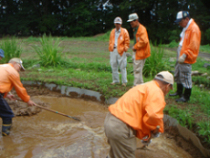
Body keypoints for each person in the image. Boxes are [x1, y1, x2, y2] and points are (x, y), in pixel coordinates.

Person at [104, 71, 174, 158]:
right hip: (120, 128)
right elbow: (153, 115)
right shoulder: (157, 91)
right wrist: (153, 132)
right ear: (167, 87)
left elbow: (139, 112)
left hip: (110, 122)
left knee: (114, 154)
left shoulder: (144, 86)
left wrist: (146, 134)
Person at [169, 11, 201, 102]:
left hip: (186, 56)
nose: (179, 24)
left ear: (186, 19)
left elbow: (193, 45)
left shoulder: (194, 29)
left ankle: (186, 96)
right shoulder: (186, 27)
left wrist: (185, 54)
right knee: (178, 73)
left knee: (186, 75)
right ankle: (179, 92)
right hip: (181, 53)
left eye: (180, 21)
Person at [0, 58, 36, 136]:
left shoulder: (2, 67)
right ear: (15, 63)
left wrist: (7, 95)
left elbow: (1, 84)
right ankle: (6, 136)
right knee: (7, 115)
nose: (19, 70)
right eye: (19, 67)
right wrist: (28, 100)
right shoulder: (12, 71)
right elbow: (20, 89)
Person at [127, 13, 151, 86]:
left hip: (141, 52)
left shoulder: (142, 29)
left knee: (137, 70)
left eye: (132, 22)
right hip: (138, 52)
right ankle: (140, 85)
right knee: (138, 70)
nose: (131, 23)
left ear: (136, 20)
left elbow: (144, 41)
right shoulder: (135, 29)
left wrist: (135, 47)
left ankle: (136, 86)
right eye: (130, 22)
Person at [109, 17, 130, 87]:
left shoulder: (124, 31)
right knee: (113, 65)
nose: (117, 25)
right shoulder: (112, 31)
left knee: (122, 66)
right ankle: (115, 80)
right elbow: (110, 40)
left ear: (120, 24)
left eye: (119, 24)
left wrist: (125, 48)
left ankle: (124, 81)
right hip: (113, 50)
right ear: (115, 23)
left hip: (121, 50)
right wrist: (111, 47)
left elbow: (127, 42)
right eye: (116, 23)